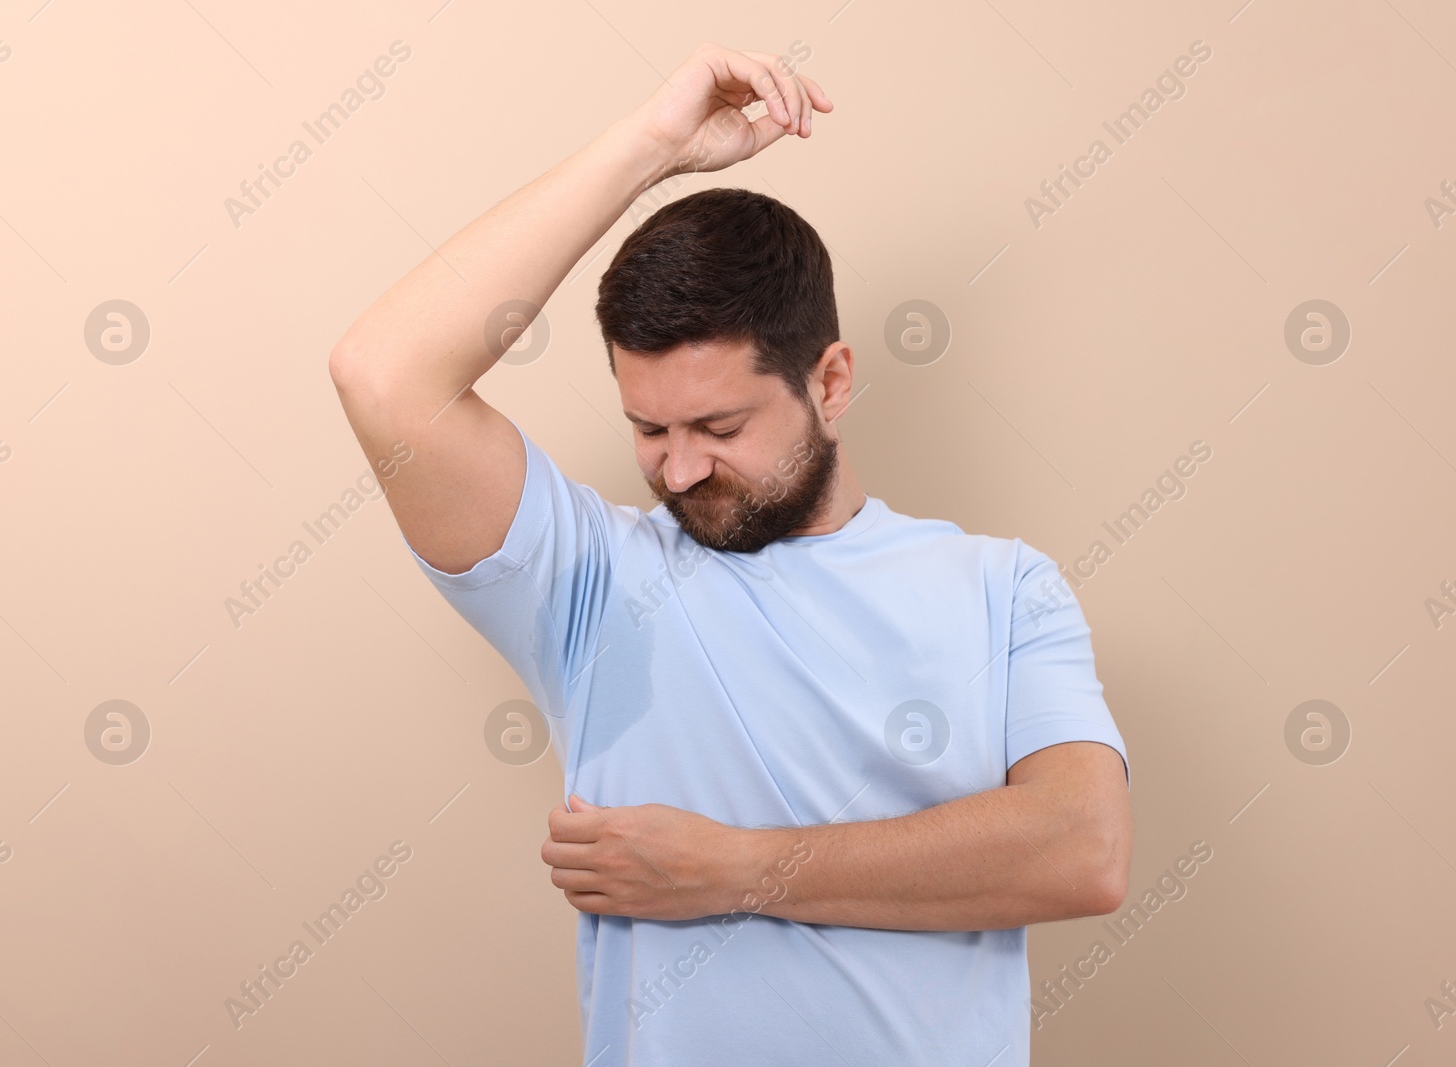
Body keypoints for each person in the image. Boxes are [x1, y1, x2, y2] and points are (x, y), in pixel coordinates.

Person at [329, 41, 1132, 1067]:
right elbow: (382, 374)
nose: (674, 469)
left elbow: (1083, 849)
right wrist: (648, 147)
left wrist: (732, 867)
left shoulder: (1001, 586)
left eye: (717, 425)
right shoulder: (591, 584)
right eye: (647, 428)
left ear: (830, 381)